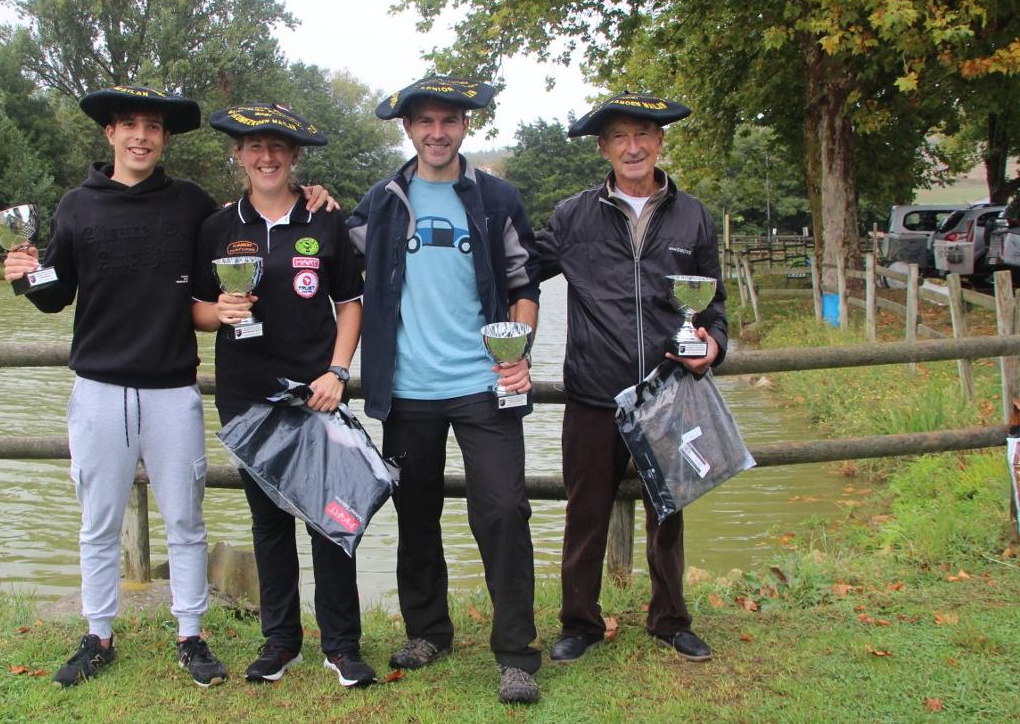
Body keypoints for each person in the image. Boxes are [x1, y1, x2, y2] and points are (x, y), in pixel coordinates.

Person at [2, 85, 336, 689]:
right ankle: (97, 634)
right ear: (109, 134)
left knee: (186, 519)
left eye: (152, 127)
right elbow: (56, 294)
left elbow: (247, 235)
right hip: (99, 387)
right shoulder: (77, 205)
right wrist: (24, 274)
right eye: (128, 124)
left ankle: (191, 635)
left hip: (171, 388)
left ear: (164, 138)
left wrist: (311, 198)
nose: (141, 136)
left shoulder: (190, 206)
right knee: (97, 521)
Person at [346, 76, 543, 704]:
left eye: (449, 121)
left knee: (504, 511)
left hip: (484, 385)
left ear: (465, 127)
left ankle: (516, 653)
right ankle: (428, 631)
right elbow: (334, 262)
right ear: (407, 129)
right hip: (407, 389)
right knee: (416, 514)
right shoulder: (380, 200)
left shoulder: (495, 197)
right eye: (425, 122)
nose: (437, 132)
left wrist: (519, 352)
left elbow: (525, 283)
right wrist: (313, 198)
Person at [535, 92, 728, 664]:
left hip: (670, 394)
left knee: (668, 512)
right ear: (603, 149)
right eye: (619, 137)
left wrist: (714, 343)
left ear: (661, 141)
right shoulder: (572, 216)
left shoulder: (694, 215)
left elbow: (713, 304)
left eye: (643, 134)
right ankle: (579, 623)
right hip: (595, 395)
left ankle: (670, 619)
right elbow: (515, 265)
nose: (633, 147)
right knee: (585, 513)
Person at [190, 103, 373, 688]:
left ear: (295, 157)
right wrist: (219, 311)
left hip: (316, 392)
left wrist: (338, 372)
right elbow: (195, 307)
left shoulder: (325, 218)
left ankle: (342, 644)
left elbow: (350, 302)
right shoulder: (219, 227)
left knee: (330, 516)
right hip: (246, 395)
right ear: (239, 156)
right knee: (268, 522)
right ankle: (281, 641)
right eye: (254, 147)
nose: (266, 156)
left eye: (278, 147)